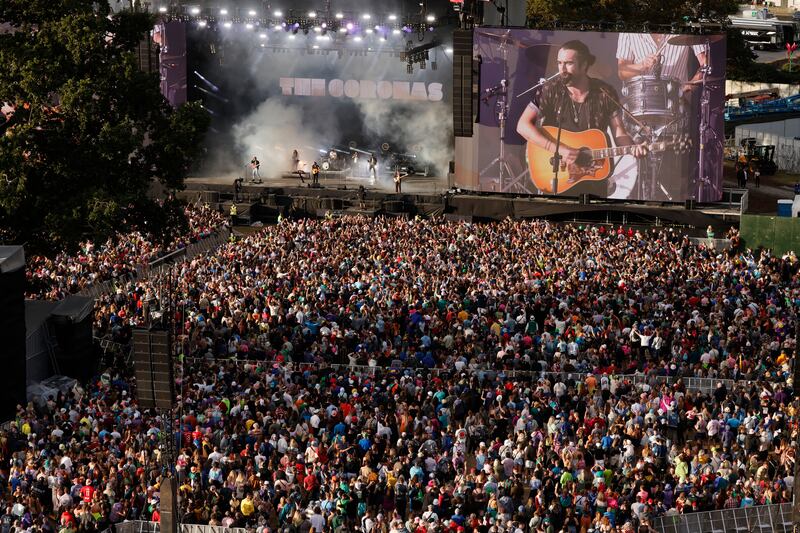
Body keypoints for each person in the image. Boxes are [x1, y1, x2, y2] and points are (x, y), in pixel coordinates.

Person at [516, 40, 647, 197]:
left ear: (584, 65)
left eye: (569, 63)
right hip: (556, 171)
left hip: (592, 175)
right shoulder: (551, 89)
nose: (562, 69)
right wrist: (559, 150)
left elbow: (619, 132)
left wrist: (633, 148)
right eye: (559, 63)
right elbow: (522, 126)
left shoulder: (604, 92)